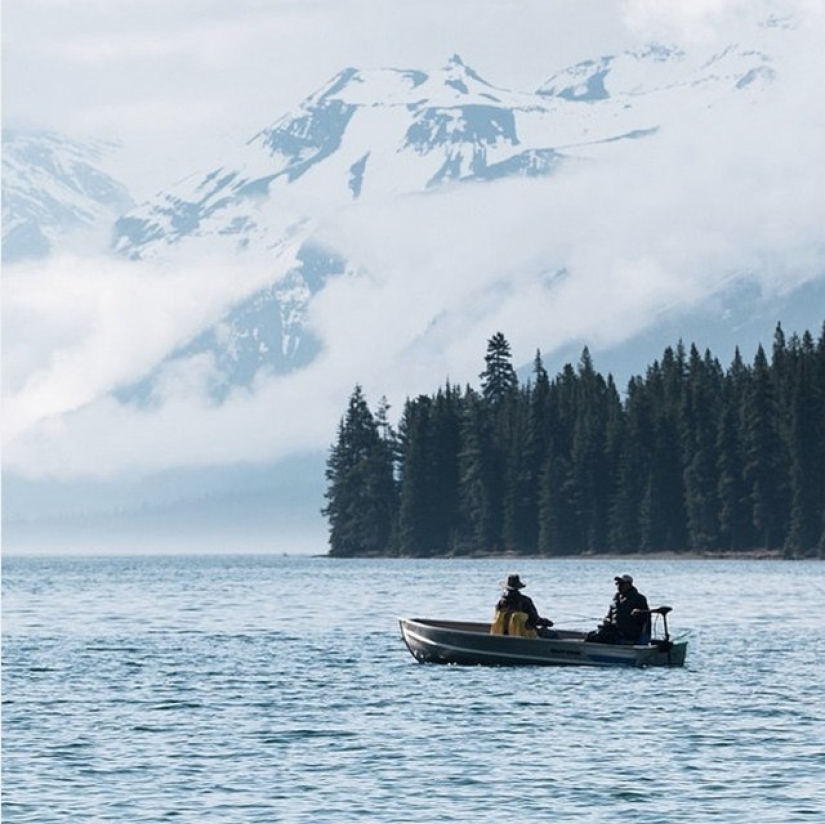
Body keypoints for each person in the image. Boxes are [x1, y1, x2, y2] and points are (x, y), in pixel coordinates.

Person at [587, 574, 650, 644]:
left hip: (629, 634)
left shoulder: (639, 598)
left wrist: (639, 613)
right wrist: (607, 620)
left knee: (599, 636)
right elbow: (609, 615)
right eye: (617, 584)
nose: (619, 586)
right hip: (614, 631)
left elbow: (646, 618)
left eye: (622, 584)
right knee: (591, 635)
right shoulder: (616, 599)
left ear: (629, 585)